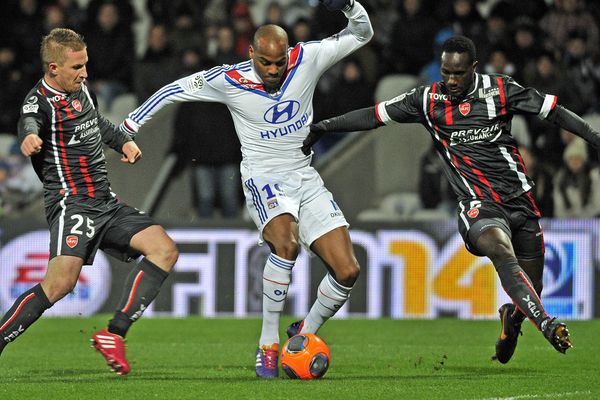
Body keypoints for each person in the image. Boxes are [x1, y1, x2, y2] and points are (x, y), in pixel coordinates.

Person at [302, 36, 598, 363]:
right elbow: (374, 116)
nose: (452, 81)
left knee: (532, 288)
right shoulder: (428, 100)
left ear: (473, 68)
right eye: (446, 73)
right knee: (500, 250)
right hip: (478, 205)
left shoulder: (501, 90)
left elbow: (555, 113)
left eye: (459, 73)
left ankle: (512, 320)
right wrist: (325, 126)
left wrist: (593, 137)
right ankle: (546, 323)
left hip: (521, 202)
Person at [119, 0, 373, 378]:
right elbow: (175, 88)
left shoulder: (308, 58)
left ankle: (303, 335)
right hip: (263, 178)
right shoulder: (230, 79)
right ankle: (268, 344)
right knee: (285, 246)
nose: (272, 71)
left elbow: (362, 33)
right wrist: (131, 123)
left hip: (305, 177)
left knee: (348, 270)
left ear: (288, 53)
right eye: (265, 62)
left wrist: (350, 6)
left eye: (279, 62)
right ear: (251, 52)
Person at [0, 28, 179, 376]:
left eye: (85, 65)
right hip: (72, 203)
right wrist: (31, 137)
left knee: (164, 249)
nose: (85, 73)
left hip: (105, 201)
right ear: (53, 68)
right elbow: (29, 122)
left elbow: (95, 122)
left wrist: (122, 142)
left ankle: (114, 334)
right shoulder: (38, 102)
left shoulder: (80, 90)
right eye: (76, 67)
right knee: (59, 285)